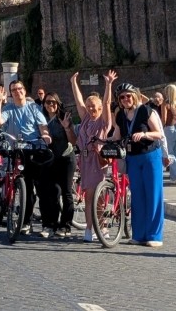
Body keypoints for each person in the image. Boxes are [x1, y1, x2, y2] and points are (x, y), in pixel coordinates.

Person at [106, 77, 165, 247]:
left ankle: (154, 235)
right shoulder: (120, 116)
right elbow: (116, 135)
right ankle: (138, 234)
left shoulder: (146, 111)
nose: (126, 99)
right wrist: (103, 140)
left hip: (150, 156)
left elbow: (159, 133)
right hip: (132, 158)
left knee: (153, 195)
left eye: (128, 96)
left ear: (135, 96)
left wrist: (144, 135)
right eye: (122, 97)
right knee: (137, 197)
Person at [0, 80, 53, 235]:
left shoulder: (34, 107)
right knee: (25, 188)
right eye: (13, 90)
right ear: (11, 94)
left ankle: (47, 225)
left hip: (33, 149)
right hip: (16, 152)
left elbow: (42, 126)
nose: (17, 92)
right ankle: (26, 222)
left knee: (42, 189)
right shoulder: (8, 108)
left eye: (19, 89)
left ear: (24, 91)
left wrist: (45, 136)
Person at [70, 71, 113, 243]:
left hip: (98, 160)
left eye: (94, 106)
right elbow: (79, 102)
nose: (91, 108)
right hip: (85, 161)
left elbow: (107, 102)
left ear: (100, 108)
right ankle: (89, 229)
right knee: (88, 196)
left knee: (99, 198)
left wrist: (109, 84)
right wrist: (73, 82)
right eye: (89, 106)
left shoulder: (103, 121)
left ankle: (101, 226)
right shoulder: (86, 119)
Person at [37, 92, 76, 238]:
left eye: (53, 102)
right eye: (47, 102)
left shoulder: (64, 117)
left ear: (58, 104)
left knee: (66, 192)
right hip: (50, 159)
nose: (50, 105)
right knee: (50, 192)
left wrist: (66, 128)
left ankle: (65, 225)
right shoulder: (42, 118)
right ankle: (50, 224)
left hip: (66, 158)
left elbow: (73, 141)